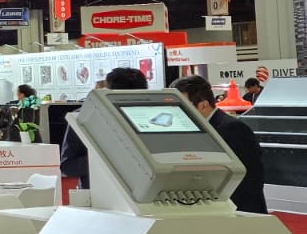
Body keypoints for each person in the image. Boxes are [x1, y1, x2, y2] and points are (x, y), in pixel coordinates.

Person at [171, 75, 269, 214]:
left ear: (203, 105)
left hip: (238, 212)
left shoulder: (232, 129)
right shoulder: (199, 129)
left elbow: (249, 179)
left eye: (181, 108)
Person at [60, 66, 149, 187]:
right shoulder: (84, 117)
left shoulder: (150, 116)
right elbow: (68, 166)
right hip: (98, 193)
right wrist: (108, 158)